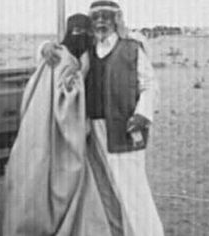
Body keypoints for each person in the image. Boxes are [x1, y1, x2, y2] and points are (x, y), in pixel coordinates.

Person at [3, 13, 134, 236]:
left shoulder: (73, 55)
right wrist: (80, 72)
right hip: (53, 132)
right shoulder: (61, 58)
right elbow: (66, 97)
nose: (80, 37)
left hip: (43, 134)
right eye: (77, 32)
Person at [85, 1, 164, 236]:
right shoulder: (89, 49)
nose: (100, 21)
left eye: (106, 16)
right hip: (94, 129)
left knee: (133, 189)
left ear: (116, 19)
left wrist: (142, 114)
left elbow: (150, 85)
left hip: (124, 128)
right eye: (96, 16)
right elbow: (61, 52)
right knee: (105, 188)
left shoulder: (131, 48)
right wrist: (45, 47)